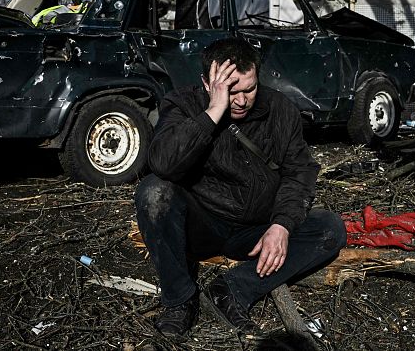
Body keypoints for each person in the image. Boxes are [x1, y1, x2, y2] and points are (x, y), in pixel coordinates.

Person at [134, 37, 346, 339]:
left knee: (330, 228)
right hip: (202, 226)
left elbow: (300, 172)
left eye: (250, 89)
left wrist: (282, 225)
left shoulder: (279, 109)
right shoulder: (182, 104)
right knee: (154, 193)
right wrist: (214, 112)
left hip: (256, 230)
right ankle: (180, 301)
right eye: (231, 91)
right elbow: (163, 164)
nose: (243, 100)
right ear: (208, 84)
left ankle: (231, 290)